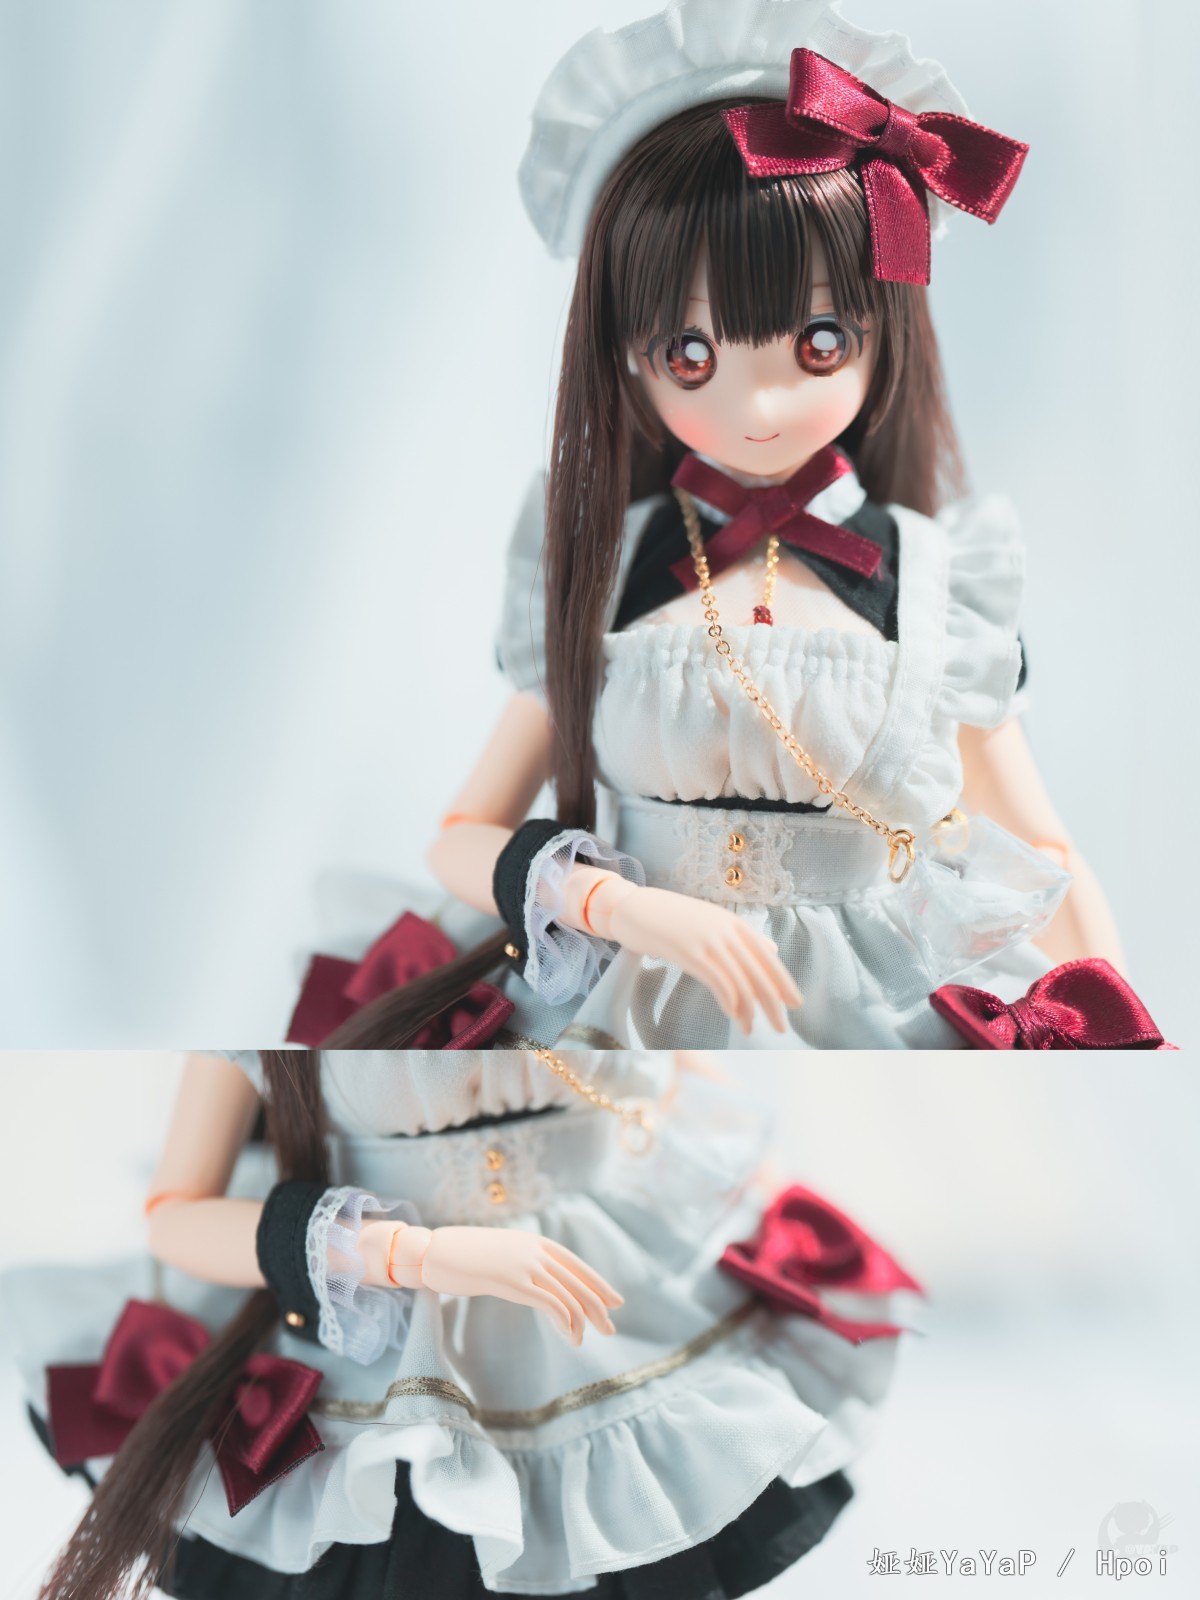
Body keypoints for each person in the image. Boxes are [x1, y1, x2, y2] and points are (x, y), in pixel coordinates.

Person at [297, 0, 1123, 1053]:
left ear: (886, 329)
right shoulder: (607, 567)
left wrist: (1127, 1031)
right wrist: (613, 904)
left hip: (869, 1013)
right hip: (617, 999)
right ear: (624, 358)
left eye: (818, 343)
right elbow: (462, 835)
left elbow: (1047, 856)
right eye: (690, 356)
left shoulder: (938, 588)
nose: (759, 404)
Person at [4, 1049, 921, 1598]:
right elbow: (177, 1212)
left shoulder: (582, 894)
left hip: (594, 1292)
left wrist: (755, 1197)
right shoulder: (307, 959)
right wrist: (413, 1254)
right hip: (373, 1309)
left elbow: (669, 1080)